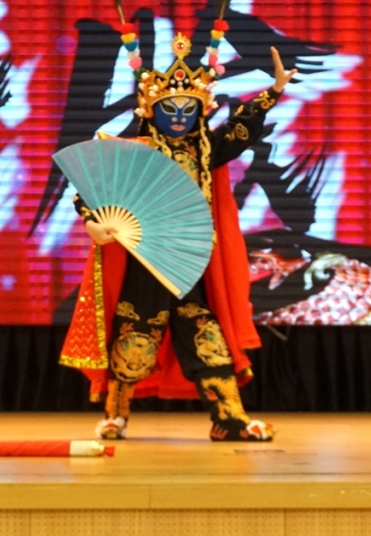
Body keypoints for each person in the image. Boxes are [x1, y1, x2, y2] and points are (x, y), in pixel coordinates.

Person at [60, 29, 296, 441]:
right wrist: (94, 222)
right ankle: (116, 413)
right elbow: (93, 191)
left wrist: (273, 91)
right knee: (135, 338)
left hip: (191, 263)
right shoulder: (135, 151)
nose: (179, 115)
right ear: (150, 110)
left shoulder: (205, 149)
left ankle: (229, 419)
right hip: (145, 261)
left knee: (208, 338)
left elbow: (241, 130)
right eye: (169, 107)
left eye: (189, 108)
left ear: (201, 110)